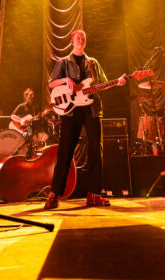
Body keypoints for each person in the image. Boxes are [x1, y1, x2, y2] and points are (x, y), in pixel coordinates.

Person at [44, 29, 125, 209]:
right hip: (70, 110)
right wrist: (66, 80)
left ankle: (94, 194)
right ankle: (54, 194)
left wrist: (117, 82)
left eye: (83, 38)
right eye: (78, 38)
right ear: (72, 41)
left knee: (96, 148)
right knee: (65, 150)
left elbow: (101, 85)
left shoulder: (92, 62)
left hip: (92, 108)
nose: (81, 40)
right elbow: (51, 83)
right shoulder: (63, 62)